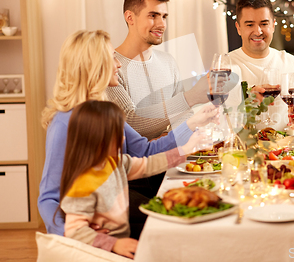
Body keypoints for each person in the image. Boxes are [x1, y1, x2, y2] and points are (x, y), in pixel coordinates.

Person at [38, 30, 216, 238]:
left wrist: (193, 123)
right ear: (95, 65)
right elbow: (49, 198)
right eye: (112, 57)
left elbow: (145, 151)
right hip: (90, 226)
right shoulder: (63, 122)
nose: (119, 64)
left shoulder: (105, 112)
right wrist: (76, 238)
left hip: (112, 210)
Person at [60, 100, 197, 259]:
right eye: (117, 133)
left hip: (120, 236)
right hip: (103, 252)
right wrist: (113, 244)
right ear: (98, 137)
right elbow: (74, 231)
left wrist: (184, 151)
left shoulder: (115, 162)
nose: (123, 139)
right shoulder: (83, 184)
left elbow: (148, 164)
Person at [106, 0, 209, 141]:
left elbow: (185, 113)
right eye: (153, 15)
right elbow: (131, 122)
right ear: (130, 17)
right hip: (129, 163)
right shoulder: (111, 67)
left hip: (168, 159)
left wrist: (167, 138)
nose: (162, 24)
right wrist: (192, 97)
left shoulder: (168, 62)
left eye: (164, 16)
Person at [228, 0, 294, 131]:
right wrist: (244, 100)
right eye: (250, 24)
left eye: (264, 24)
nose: (258, 31)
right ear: (239, 28)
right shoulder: (226, 66)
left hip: (285, 148)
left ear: (273, 25)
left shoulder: (289, 62)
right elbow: (217, 116)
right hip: (242, 148)